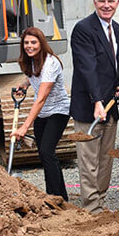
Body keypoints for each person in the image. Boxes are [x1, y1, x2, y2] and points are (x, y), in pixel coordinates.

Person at [70, 0, 119, 214]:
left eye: (110, 1)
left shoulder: (118, 29)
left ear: (117, 4)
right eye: (102, 1)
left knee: (105, 160)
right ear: (95, 3)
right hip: (89, 107)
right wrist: (96, 101)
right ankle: (91, 207)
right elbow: (87, 67)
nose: (106, 5)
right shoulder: (83, 29)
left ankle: (100, 201)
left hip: (110, 105)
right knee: (89, 160)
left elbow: (112, 65)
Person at [11, 27, 70, 201]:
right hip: (43, 114)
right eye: (26, 43)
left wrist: (24, 127)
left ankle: (53, 197)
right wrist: (24, 84)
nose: (30, 46)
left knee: (46, 151)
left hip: (58, 111)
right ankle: (61, 197)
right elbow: (33, 77)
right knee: (46, 154)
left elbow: (41, 98)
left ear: (41, 43)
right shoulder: (31, 61)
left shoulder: (51, 63)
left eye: (34, 42)